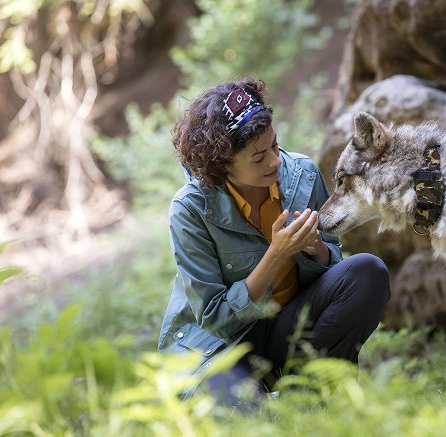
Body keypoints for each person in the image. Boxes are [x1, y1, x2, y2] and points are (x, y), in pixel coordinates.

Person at [158, 78, 390, 407]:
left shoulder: (303, 175)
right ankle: (262, 402)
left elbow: (335, 280)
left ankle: (309, 395)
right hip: (223, 346)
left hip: (288, 328)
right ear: (222, 163)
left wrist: (316, 251)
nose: (275, 161)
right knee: (240, 416)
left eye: (275, 145)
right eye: (258, 157)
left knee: (367, 272)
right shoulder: (190, 209)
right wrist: (276, 254)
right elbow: (215, 317)